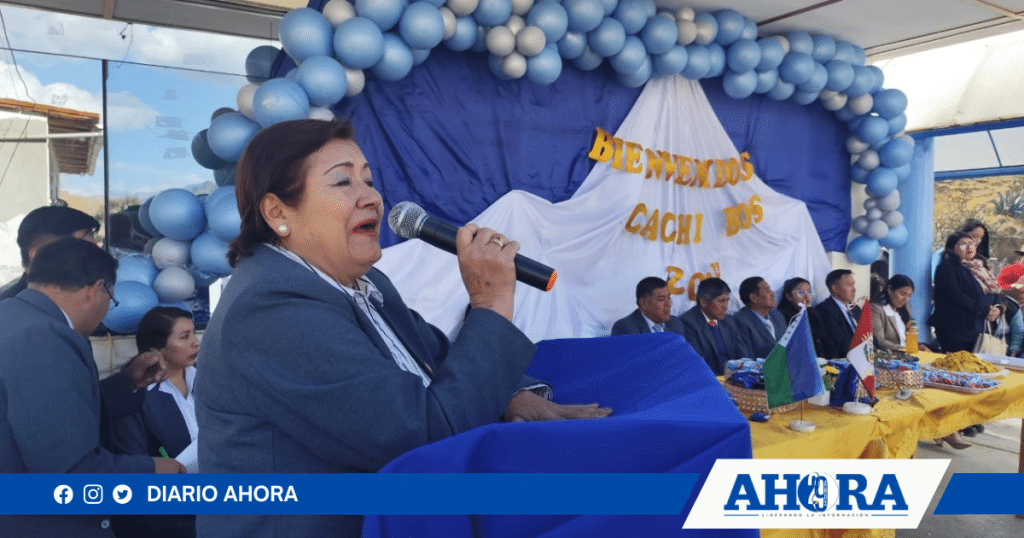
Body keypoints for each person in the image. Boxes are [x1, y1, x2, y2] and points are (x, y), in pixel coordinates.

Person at [194, 118, 611, 538]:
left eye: (369, 180)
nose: (372, 197)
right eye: (343, 182)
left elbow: (438, 357)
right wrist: (490, 302)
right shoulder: (270, 308)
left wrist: (511, 395)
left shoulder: (365, 283)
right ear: (278, 212)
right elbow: (420, 439)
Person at [0, 238, 185, 537]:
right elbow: (69, 474)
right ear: (97, 289)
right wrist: (152, 470)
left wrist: (127, 382)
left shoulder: (11, 316)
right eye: (111, 299)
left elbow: (51, 415)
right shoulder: (45, 338)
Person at [0, 205, 100, 301]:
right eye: (83, 249)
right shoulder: (11, 306)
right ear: (38, 254)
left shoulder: (88, 295)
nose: (96, 255)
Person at [932, 231, 1001, 353]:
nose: (970, 247)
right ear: (951, 249)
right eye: (963, 244)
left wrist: (998, 308)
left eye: (971, 243)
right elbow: (955, 296)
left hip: (980, 329)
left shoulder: (980, 267)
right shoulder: (947, 268)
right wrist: (984, 310)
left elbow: (996, 291)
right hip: (957, 331)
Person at [680, 277, 738, 375]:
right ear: (703, 302)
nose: (725, 306)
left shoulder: (728, 321)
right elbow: (697, 363)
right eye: (721, 301)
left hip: (733, 378)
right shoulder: (687, 323)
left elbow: (740, 355)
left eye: (727, 301)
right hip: (708, 379)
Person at [870, 274, 931, 352]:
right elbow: (880, 342)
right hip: (891, 355)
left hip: (907, 353)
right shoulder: (876, 309)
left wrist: (918, 346)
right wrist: (906, 349)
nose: (906, 299)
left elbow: (907, 337)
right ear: (890, 290)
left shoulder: (906, 308)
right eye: (903, 294)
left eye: (909, 295)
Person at [811, 269, 862, 360]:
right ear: (835, 288)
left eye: (853, 284)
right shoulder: (823, 310)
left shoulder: (855, 308)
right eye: (849, 285)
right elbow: (841, 344)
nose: (854, 289)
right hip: (842, 361)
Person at [611, 276, 685, 335]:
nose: (668, 304)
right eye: (661, 299)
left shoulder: (675, 323)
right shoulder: (625, 328)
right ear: (644, 303)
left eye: (669, 298)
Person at [733, 276, 787, 359]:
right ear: (754, 298)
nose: (773, 294)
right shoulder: (739, 321)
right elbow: (745, 358)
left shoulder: (777, 315)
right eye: (768, 291)